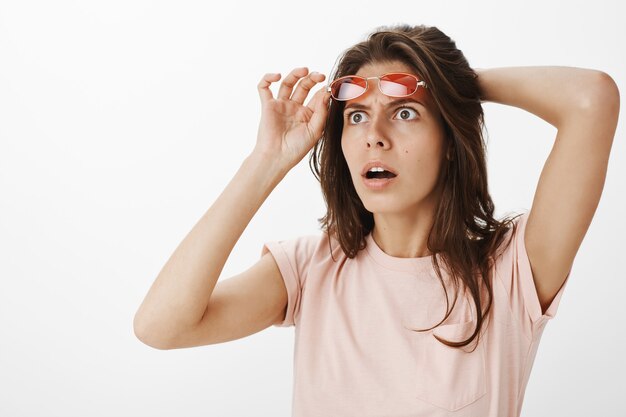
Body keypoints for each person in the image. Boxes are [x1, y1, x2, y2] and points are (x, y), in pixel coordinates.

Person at [133, 24, 619, 416]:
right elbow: (161, 327)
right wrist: (266, 161)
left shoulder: (513, 270)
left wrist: (453, 85)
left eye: (405, 113)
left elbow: (591, 98)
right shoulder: (309, 269)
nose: (375, 136)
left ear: (450, 142)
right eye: (357, 116)